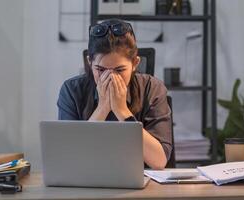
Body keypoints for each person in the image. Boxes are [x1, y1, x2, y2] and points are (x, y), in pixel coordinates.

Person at [57, 19, 172, 169]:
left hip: (140, 182)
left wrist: (122, 111)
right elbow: (70, 159)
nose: (110, 78)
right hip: (86, 178)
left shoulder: (152, 88)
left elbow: (159, 161)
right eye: (101, 70)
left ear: (135, 64)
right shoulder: (71, 90)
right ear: (89, 63)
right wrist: (102, 109)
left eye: (119, 70)